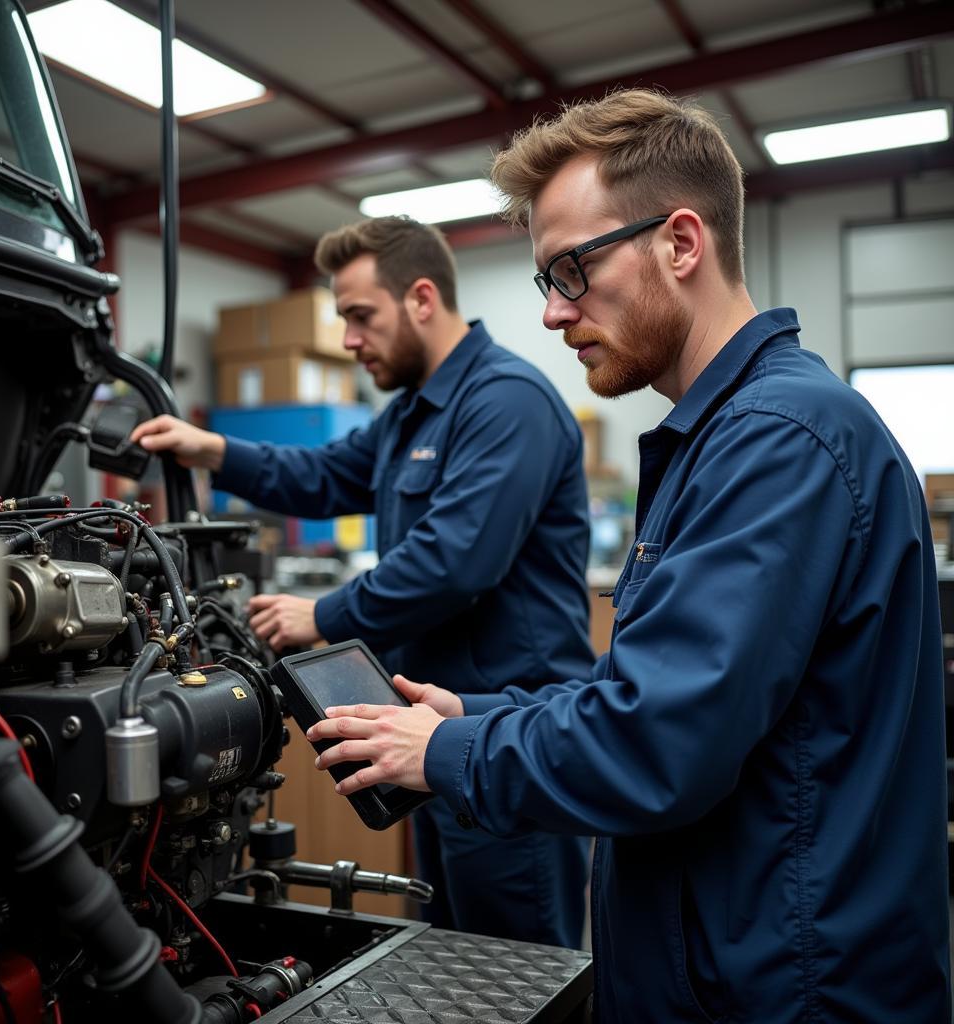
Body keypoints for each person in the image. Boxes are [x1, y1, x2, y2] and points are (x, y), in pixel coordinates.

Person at [304, 90, 951, 1023]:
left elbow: (657, 743)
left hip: (786, 989)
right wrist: (478, 711)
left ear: (681, 243)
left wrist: (448, 749)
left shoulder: (779, 439)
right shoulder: (724, 435)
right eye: (546, 281)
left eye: (573, 269)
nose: (556, 314)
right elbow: (649, 686)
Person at [130, 216, 594, 949]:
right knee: (456, 960)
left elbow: (454, 562)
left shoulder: (506, 402)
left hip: (507, 743)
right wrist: (212, 448)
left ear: (419, 299)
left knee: (519, 966)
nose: (349, 340)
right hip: (427, 738)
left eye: (359, 316)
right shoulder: (409, 412)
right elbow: (320, 474)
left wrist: (325, 613)